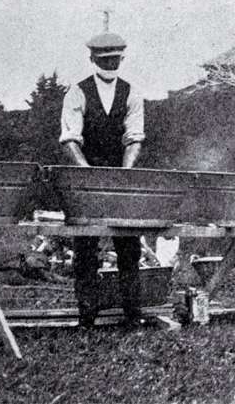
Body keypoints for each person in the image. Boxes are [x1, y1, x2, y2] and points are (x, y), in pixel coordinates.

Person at [59, 32, 146, 328]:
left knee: (129, 245)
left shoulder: (132, 92)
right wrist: (87, 173)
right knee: (85, 247)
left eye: (115, 59)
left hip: (120, 175)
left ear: (121, 58)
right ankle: (87, 315)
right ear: (92, 59)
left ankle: (132, 313)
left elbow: (134, 136)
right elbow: (70, 139)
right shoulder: (77, 92)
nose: (110, 64)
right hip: (87, 174)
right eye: (104, 59)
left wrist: (124, 174)